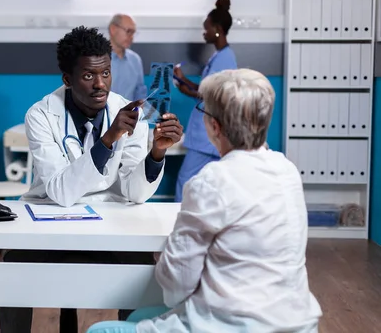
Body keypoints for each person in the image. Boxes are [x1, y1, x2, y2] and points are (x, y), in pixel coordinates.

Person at [87, 68, 322, 333]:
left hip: (233, 326)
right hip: (295, 322)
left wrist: (165, 258)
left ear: (215, 126)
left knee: (100, 330)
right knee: (138, 316)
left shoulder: (212, 181)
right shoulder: (287, 170)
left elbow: (175, 289)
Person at [0, 26, 184, 333]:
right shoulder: (42, 114)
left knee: (141, 267)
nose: (101, 85)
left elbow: (134, 192)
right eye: (88, 76)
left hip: (106, 217)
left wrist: (156, 154)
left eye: (106, 73)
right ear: (68, 80)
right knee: (15, 268)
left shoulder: (129, 113)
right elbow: (60, 190)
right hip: (50, 216)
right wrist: (108, 139)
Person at [173, 0, 238, 202]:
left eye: (206, 29)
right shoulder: (218, 57)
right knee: (206, 186)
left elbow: (212, 95)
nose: (204, 33)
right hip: (207, 135)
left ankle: (175, 225)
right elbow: (206, 87)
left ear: (217, 29)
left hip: (206, 138)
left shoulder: (225, 58)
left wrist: (186, 91)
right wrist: (183, 80)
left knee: (185, 183)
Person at [108, 14, 148, 101]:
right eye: (129, 31)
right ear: (113, 29)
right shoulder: (97, 59)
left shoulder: (135, 60)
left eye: (133, 33)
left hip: (130, 113)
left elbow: (140, 94)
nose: (132, 37)